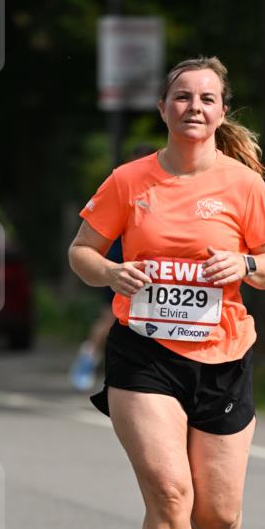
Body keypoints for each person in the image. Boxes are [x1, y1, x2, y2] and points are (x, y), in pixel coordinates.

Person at [68, 55, 265, 529]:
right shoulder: (129, 180)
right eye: (183, 96)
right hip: (144, 352)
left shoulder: (243, 185)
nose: (194, 107)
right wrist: (111, 271)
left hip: (223, 356)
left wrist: (245, 265)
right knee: (169, 492)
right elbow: (82, 251)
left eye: (207, 98)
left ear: (221, 113)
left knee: (219, 516)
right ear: (164, 109)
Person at [70, 146, 156, 392]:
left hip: (156, 276)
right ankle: (88, 358)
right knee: (109, 317)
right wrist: (110, 270)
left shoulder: (165, 187)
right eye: (135, 162)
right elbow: (85, 245)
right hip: (120, 265)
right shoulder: (121, 184)